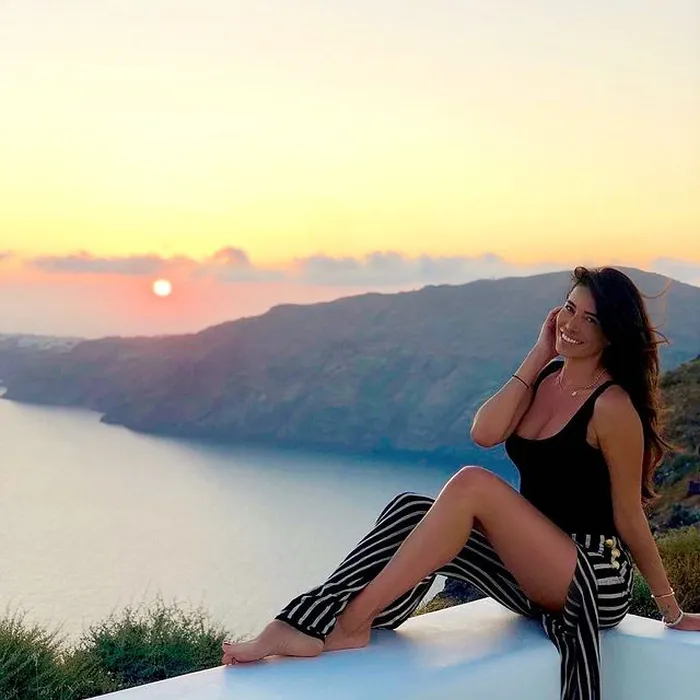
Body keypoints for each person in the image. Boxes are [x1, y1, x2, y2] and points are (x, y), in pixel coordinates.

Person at [221, 266, 700, 700]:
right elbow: (485, 433)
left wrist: (671, 610)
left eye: (589, 319)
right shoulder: (547, 377)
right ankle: (310, 617)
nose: (572, 324)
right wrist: (538, 355)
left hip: (594, 576)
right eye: (569, 309)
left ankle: (349, 623)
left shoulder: (612, 407)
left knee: (472, 484)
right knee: (410, 510)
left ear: (611, 332)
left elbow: (628, 515)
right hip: (531, 565)